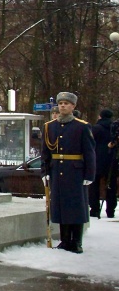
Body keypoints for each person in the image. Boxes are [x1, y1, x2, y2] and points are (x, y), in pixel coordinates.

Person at [41, 92, 95, 254]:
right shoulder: (49, 126)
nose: (63, 106)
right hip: (57, 171)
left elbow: (90, 152)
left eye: (66, 103)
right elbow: (45, 152)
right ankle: (65, 240)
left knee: (76, 207)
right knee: (61, 207)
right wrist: (45, 171)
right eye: (61, 103)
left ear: (73, 106)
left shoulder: (82, 126)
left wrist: (89, 175)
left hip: (76, 172)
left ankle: (76, 242)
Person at [89, 108, 114, 218]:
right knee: (111, 185)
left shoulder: (96, 128)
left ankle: (94, 209)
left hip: (97, 159)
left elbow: (90, 144)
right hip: (112, 160)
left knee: (94, 185)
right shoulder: (114, 128)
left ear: (101, 116)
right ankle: (111, 210)